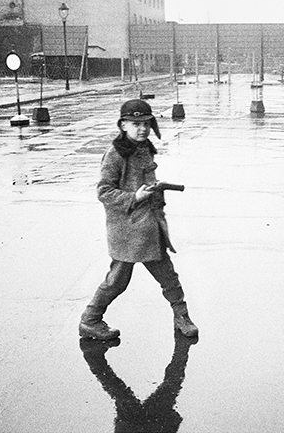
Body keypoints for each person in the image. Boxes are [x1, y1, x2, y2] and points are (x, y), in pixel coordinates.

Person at [79, 99, 198, 340]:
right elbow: (104, 191)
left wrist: (155, 192)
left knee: (168, 276)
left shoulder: (144, 148)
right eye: (135, 124)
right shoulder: (115, 154)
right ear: (123, 125)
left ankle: (181, 316)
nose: (142, 128)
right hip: (128, 230)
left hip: (150, 225)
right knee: (117, 281)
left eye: (146, 123)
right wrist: (135, 196)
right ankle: (90, 320)